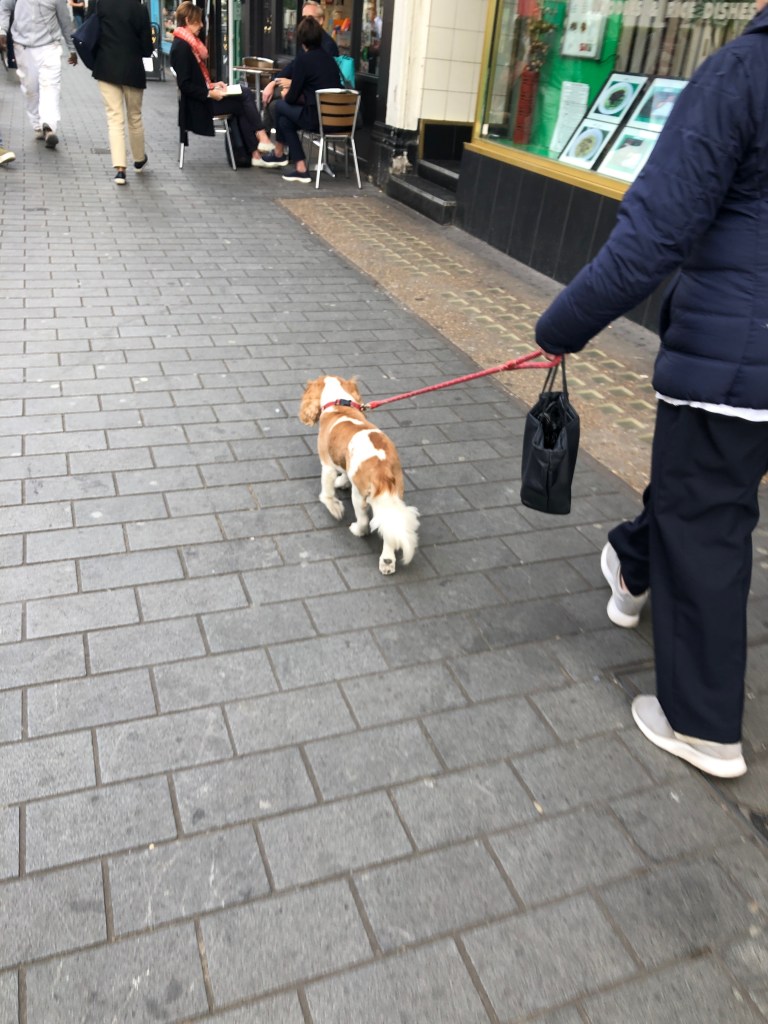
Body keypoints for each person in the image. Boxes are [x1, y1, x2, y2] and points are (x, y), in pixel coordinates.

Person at [535, 0, 768, 780]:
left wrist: (561, 326)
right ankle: (633, 565)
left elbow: (652, 237)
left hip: (732, 360)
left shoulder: (741, 72)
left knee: (707, 522)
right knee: (703, 487)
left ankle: (701, 725)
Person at [170, 1, 274, 167]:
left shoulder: (188, 45)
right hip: (198, 105)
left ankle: (256, 151)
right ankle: (260, 142)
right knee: (244, 99)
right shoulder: (182, 47)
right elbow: (185, 84)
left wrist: (212, 85)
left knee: (244, 96)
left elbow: (195, 80)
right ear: (188, 20)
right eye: (198, 21)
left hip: (201, 100)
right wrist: (209, 93)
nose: (202, 25)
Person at [259, 15, 341, 184]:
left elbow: (291, 98)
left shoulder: (303, 60)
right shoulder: (329, 60)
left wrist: (285, 94)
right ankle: (300, 168)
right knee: (285, 122)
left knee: (278, 106)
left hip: (316, 118)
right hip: (337, 120)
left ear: (301, 39)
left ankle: (280, 154)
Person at [87, 0, 153, 185]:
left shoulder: (99, 3)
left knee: (114, 118)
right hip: (132, 69)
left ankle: (120, 170)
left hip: (106, 67)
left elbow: (89, 32)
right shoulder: (139, 8)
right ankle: (138, 159)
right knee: (135, 116)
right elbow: (147, 48)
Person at [0, 0, 78, 149]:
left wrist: (72, 48)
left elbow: (65, 21)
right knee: (30, 89)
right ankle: (37, 124)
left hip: (50, 46)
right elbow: (4, 7)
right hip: (22, 46)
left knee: (50, 86)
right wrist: (2, 30)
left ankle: (49, 126)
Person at [260, 1, 338, 126]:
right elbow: (294, 65)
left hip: (318, 107)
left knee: (276, 105)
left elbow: (321, 80)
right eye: (304, 18)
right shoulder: (308, 44)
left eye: (310, 18)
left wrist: (292, 83)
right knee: (281, 114)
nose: (306, 22)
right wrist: (273, 82)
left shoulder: (327, 47)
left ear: (321, 20)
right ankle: (265, 135)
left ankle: (263, 133)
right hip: (308, 99)